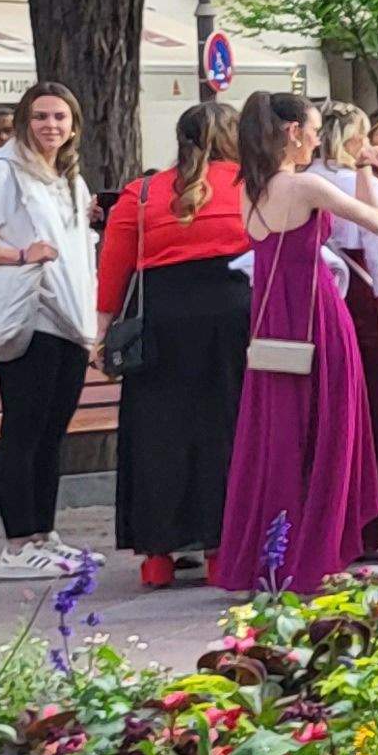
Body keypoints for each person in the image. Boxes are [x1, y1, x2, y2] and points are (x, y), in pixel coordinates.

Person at [217, 93, 378, 593]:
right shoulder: (303, 184)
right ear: (292, 132)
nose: (316, 137)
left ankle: (275, 553)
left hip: (273, 316)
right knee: (330, 426)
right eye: (311, 128)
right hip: (314, 310)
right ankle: (315, 552)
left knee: (279, 434)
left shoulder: (251, 187)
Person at [0, 84, 102, 579]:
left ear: (73, 125)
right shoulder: (3, 174)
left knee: (52, 434)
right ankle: (16, 543)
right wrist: (17, 256)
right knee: (24, 430)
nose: (50, 126)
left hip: (72, 320)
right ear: (25, 123)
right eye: (40, 117)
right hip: (32, 315)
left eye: (60, 117)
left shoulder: (66, 178)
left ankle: (43, 534)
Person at [100, 105, 251, 586]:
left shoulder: (142, 191)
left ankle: (156, 557)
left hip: (160, 318)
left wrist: (102, 333)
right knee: (225, 427)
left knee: (155, 433)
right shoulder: (252, 183)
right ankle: (219, 550)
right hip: (233, 314)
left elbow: (114, 267)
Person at [310, 104, 378, 552]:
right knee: (375, 406)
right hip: (364, 296)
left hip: (319, 292)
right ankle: (376, 522)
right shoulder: (361, 184)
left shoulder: (305, 178)